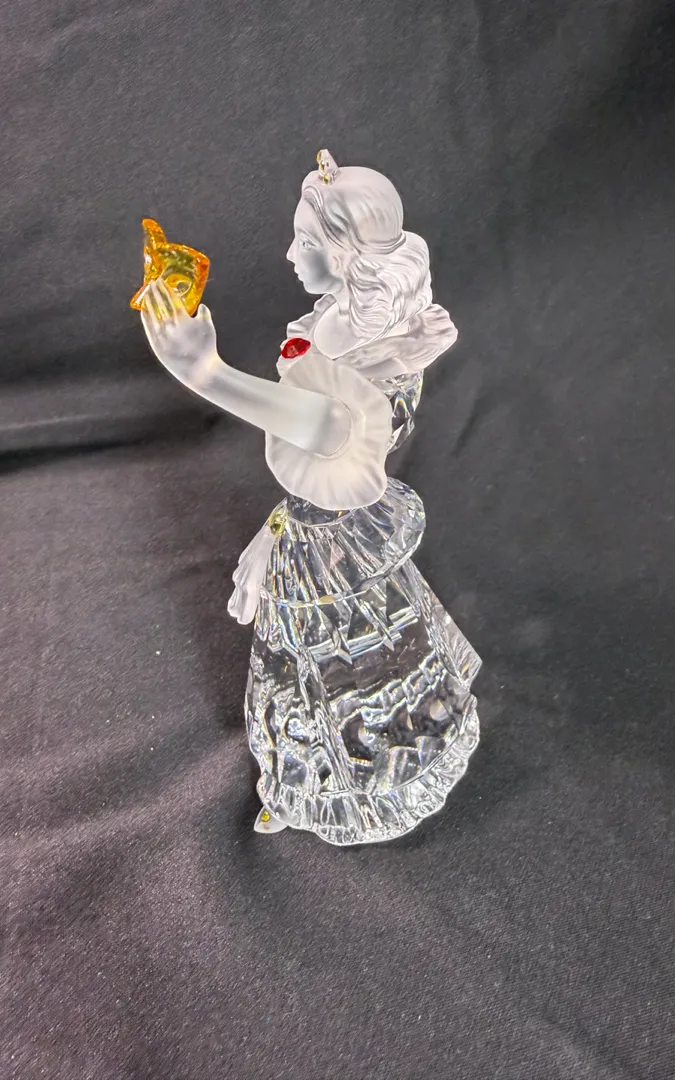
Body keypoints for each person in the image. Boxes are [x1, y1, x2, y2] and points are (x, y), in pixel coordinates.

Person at [141, 151, 480, 845]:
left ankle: (350, 782)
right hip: (317, 527)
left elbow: (325, 426)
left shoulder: (371, 363)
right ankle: (311, 780)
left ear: (348, 254)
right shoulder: (347, 329)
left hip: (331, 543)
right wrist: (273, 531)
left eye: (305, 241)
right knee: (323, 662)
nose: (290, 254)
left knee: (333, 662)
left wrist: (204, 373)